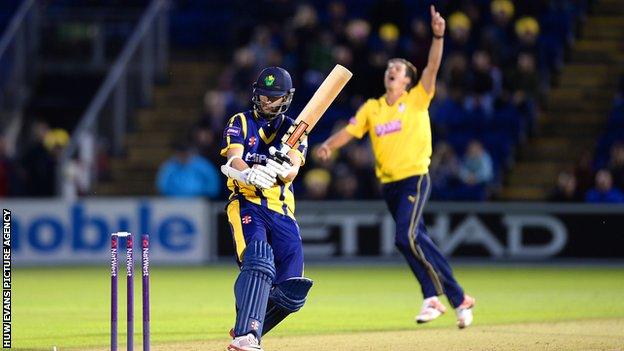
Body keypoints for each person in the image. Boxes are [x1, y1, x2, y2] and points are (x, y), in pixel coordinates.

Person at [317, 6, 475, 329]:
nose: (391, 70)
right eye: (390, 66)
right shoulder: (373, 108)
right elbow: (350, 132)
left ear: (407, 80)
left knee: (405, 237)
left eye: (398, 69)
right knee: (419, 241)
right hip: (389, 186)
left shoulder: (418, 98)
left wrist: (438, 35)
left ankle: (432, 296)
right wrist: (327, 146)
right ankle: (459, 299)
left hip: (414, 178)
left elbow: (433, 65)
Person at [220, 67, 313, 351]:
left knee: (293, 291)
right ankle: (246, 336)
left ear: (286, 98)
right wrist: (249, 173)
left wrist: (281, 169)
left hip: (282, 211)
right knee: (259, 261)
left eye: (274, 98)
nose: (266, 103)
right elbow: (234, 158)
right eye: (263, 97)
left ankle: (247, 327)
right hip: (246, 204)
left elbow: (292, 170)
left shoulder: (295, 129)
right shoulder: (240, 121)